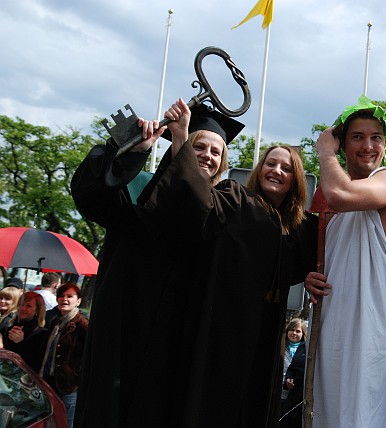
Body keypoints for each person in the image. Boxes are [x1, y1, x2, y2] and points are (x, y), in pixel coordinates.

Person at [71, 98, 317, 428]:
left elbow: (271, 253)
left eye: (216, 152)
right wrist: (132, 149)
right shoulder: (146, 189)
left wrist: (307, 271)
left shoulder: (229, 214)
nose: (207, 156)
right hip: (129, 334)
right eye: (198, 146)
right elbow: (92, 197)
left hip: (181, 349)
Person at [304, 96, 386, 428]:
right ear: (344, 144)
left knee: (367, 412)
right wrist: (311, 276)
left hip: (373, 327)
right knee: (330, 411)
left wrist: (325, 152)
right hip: (333, 324)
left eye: (376, 138)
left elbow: (341, 195)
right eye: (357, 137)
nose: (368, 146)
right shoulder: (332, 190)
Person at [40, 283, 88, 428]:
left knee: (65, 424)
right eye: (61, 296)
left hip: (67, 386)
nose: (64, 299)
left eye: (70, 296)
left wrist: (76, 377)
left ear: (78, 301)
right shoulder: (55, 322)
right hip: (48, 381)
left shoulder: (82, 325)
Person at [0, 291, 49, 372]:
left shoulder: (41, 334)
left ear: (37, 310)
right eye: (20, 304)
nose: (23, 308)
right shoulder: (7, 327)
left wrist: (21, 343)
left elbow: (36, 362)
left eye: (28, 306)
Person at [279, 318, 306, 428]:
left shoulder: (305, 350)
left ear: (303, 334)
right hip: (280, 392)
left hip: (295, 395)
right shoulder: (280, 346)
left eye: (298, 331)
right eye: (292, 330)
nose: (294, 333)